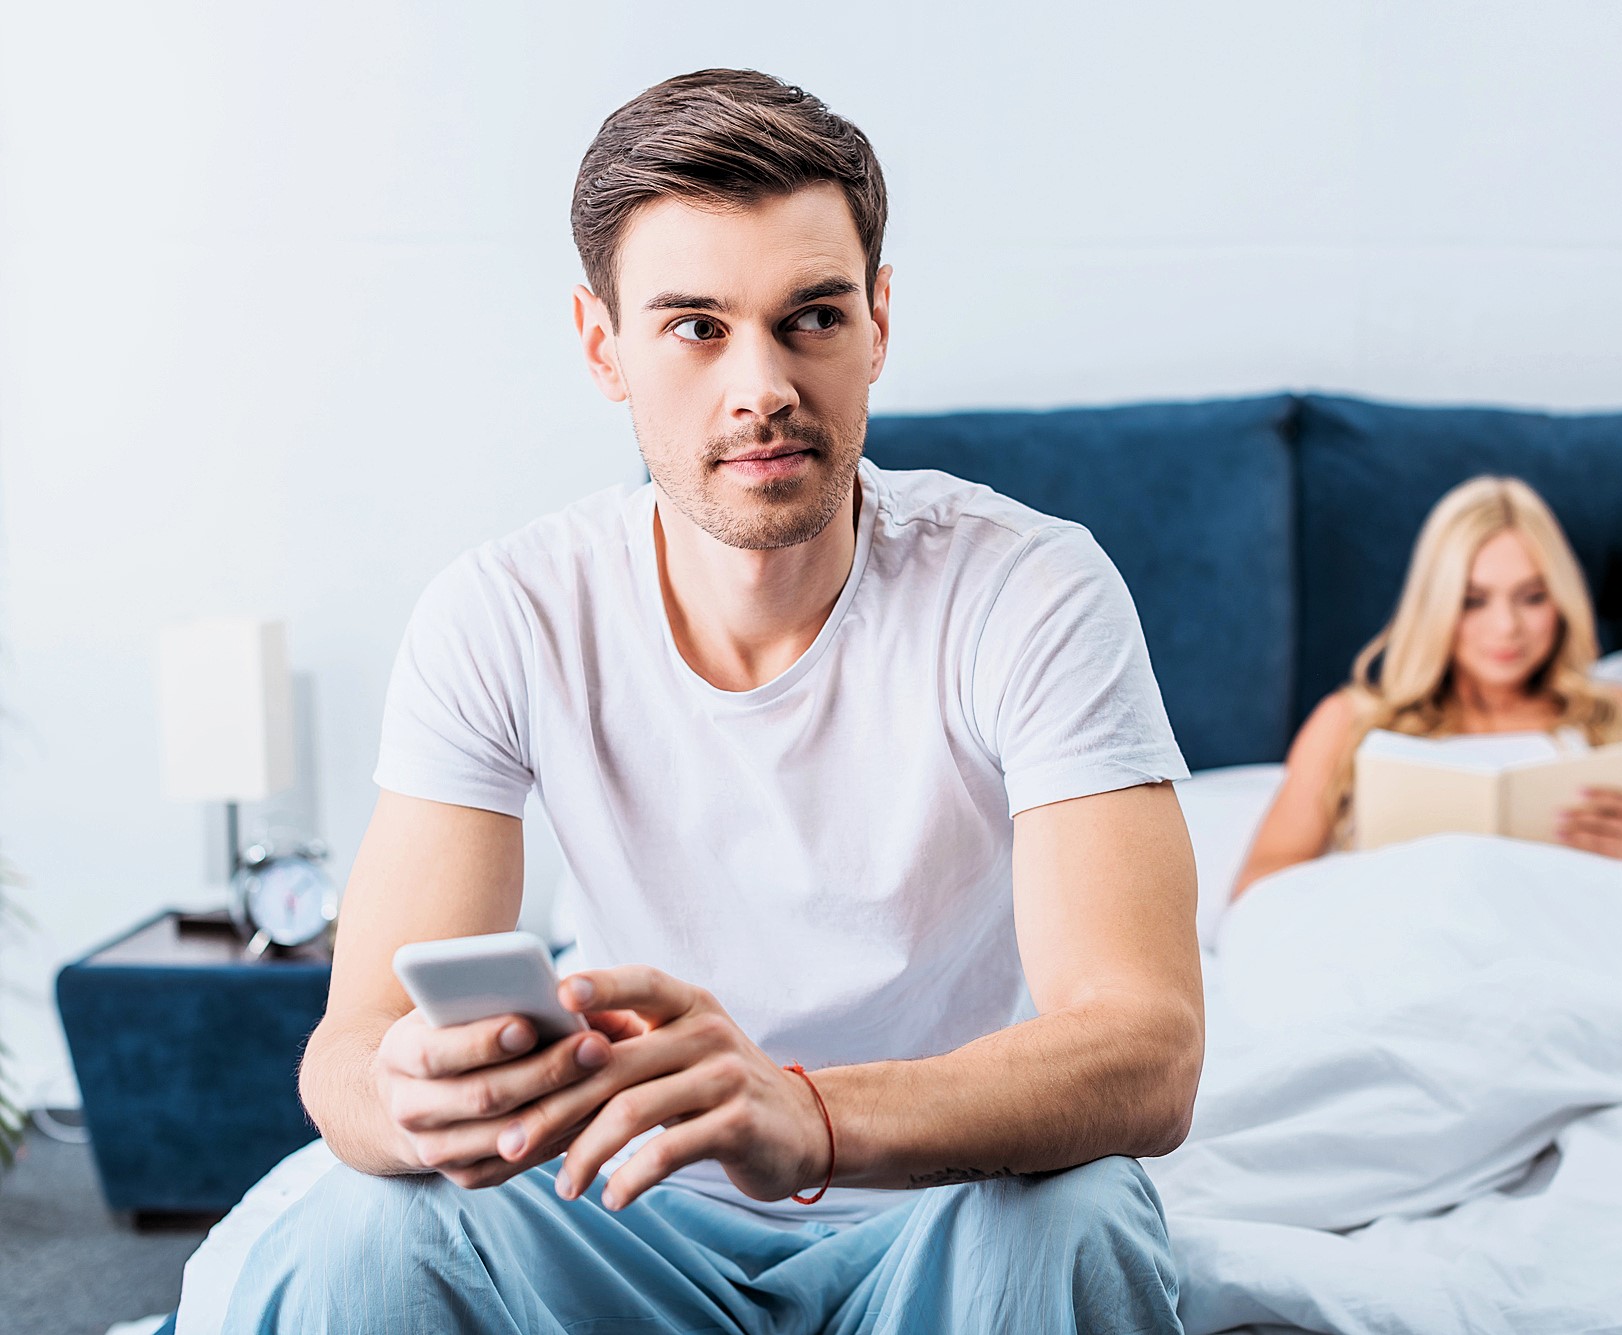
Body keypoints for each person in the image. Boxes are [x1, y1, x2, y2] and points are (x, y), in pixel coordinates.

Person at [224, 69, 1202, 1335]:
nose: (761, 388)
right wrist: (407, 1097)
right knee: (365, 1222)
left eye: (810, 319)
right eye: (695, 325)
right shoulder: (505, 611)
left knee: (1083, 1214)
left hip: (938, 1200)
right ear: (602, 346)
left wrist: (803, 1112)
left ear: (878, 322)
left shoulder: (1029, 591)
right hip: (617, 1203)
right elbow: (348, 1052)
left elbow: (1146, 1049)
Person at [1233, 475, 1622, 900]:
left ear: (1562, 602)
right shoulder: (1350, 720)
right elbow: (1256, 888)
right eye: (1473, 601)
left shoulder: (1610, 713)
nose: (1507, 627)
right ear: (1437, 605)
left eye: (1532, 597)